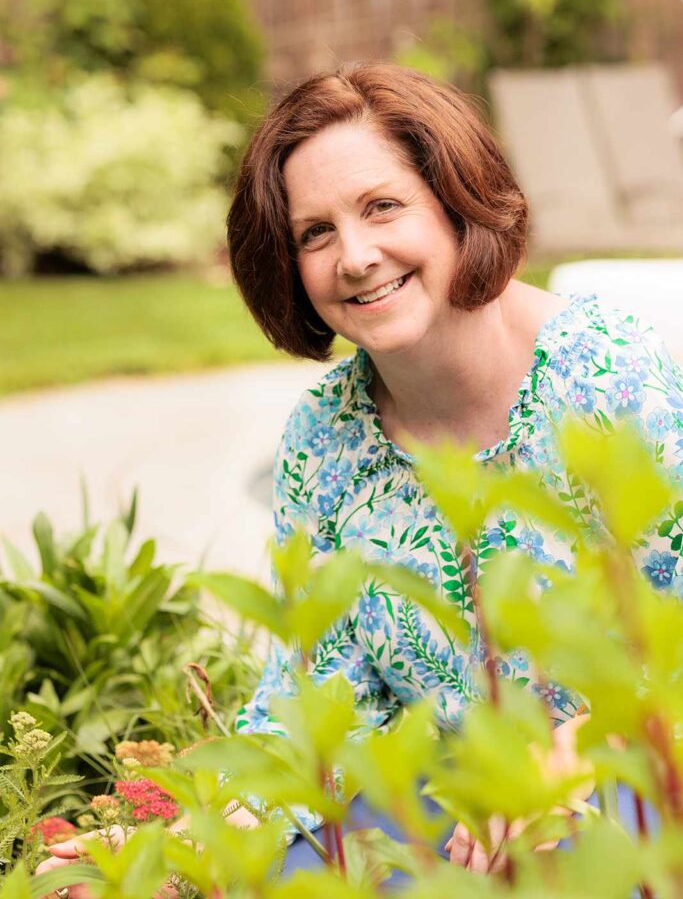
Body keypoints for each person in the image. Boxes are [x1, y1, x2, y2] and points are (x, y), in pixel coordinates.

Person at [37, 63, 683, 893]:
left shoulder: (613, 381)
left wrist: (582, 750)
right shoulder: (324, 438)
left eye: (382, 206)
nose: (355, 256)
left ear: (457, 204)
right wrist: (165, 840)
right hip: (445, 808)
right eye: (314, 233)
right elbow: (317, 711)